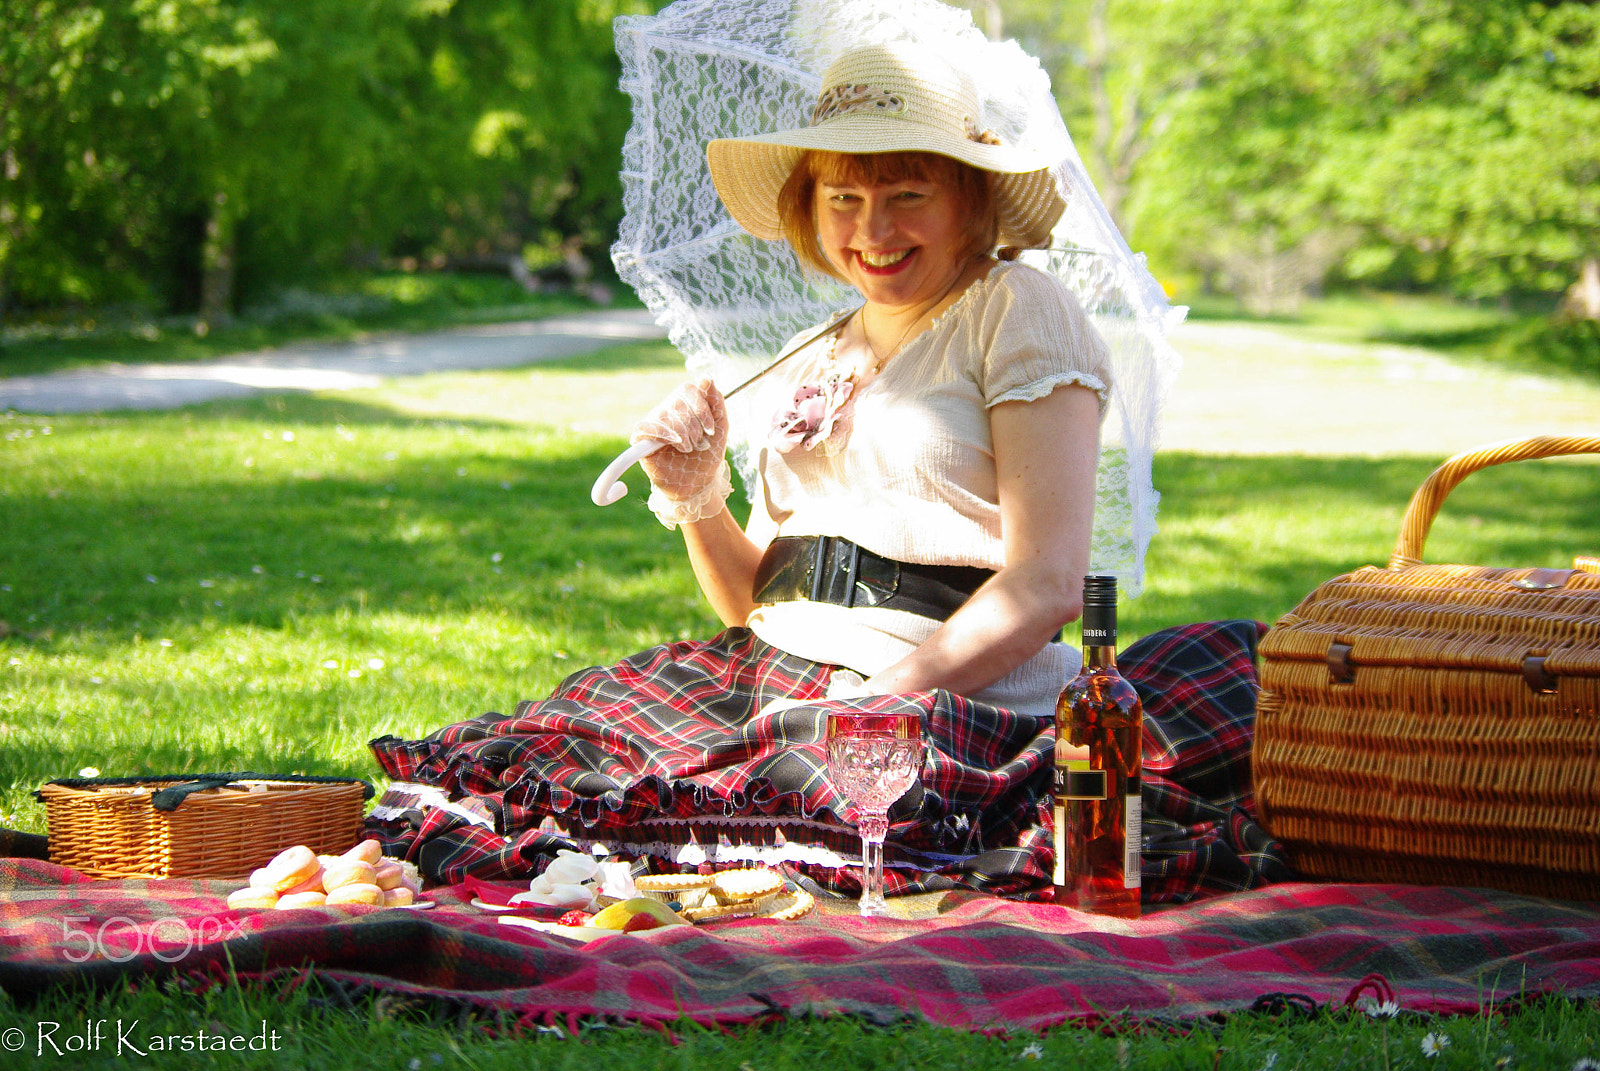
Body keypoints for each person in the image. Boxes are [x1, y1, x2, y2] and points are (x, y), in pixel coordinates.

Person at [366, 42, 1290, 904]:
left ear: (971, 197)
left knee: (734, 811)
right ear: (809, 208)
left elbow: (1047, 583)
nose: (873, 229)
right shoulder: (817, 353)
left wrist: (879, 704)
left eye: (908, 194)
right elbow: (748, 602)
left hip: (949, 688)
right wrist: (695, 493)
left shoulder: (1017, 309)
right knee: (558, 762)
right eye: (843, 197)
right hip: (779, 670)